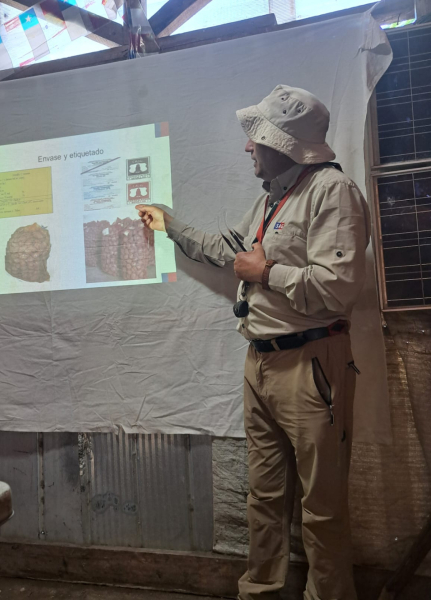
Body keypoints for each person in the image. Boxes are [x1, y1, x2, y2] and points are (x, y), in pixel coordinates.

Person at [136, 85, 370, 600]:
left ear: (284, 144)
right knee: (264, 498)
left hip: (312, 366)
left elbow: (338, 288)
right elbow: (231, 251)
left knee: (322, 506)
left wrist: (267, 273)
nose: (248, 146)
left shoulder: (333, 192)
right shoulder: (273, 198)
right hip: (260, 363)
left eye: (257, 138)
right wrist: (170, 225)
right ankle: (259, 592)